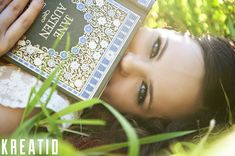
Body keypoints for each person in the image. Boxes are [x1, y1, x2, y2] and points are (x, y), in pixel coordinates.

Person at [0, 0, 234, 154]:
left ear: (131, 118)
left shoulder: (43, 103)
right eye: (155, 48)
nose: (128, 62)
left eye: (142, 91)